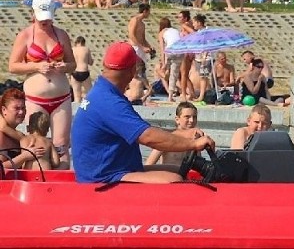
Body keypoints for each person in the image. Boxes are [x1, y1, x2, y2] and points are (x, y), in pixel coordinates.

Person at [71, 42, 215, 183]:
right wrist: (193, 144)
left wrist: (182, 134)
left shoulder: (102, 92)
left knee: (177, 170)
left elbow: (144, 129)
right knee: (174, 180)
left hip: (112, 170)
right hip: (104, 178)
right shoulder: (109, 101)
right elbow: (148, 137)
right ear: (132, 71)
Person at [8, 0, 75, 169]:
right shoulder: (25, 35)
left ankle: (60, 184)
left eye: (48, 20)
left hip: (61, 98)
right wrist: (36, 67)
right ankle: (36, 181)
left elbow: (73, 64)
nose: (45, 23)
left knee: (61, 145)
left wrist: (63, 66)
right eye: (41, 20)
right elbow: (13, 66)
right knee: (35, 145)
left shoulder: (61, 35)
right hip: (35, 99)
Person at [0, 88, 46, 169]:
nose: (21, 112)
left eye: (23, 108)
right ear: (4, 110)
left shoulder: (18, 135)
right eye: (16, 108)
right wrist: (24, 156)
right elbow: (1, 168)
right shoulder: (1, 136)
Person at [157, 17, 182, 102]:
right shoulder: (175, 30)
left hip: (170, 51)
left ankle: (165, 73)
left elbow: (162, 49)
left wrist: (164, 63)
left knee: (160, 70)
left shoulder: (162, 32)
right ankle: (170, 96)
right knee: (174, 74)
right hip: (180, 51)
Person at [70, 36, 94, 103]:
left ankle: (77, 112)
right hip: (84, 72)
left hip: (75, 72)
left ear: (76, 42)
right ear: (83, 42)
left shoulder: (73, 49)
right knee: (89, 95)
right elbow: (90, 62)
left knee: (77, 97)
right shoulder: (86, 49)